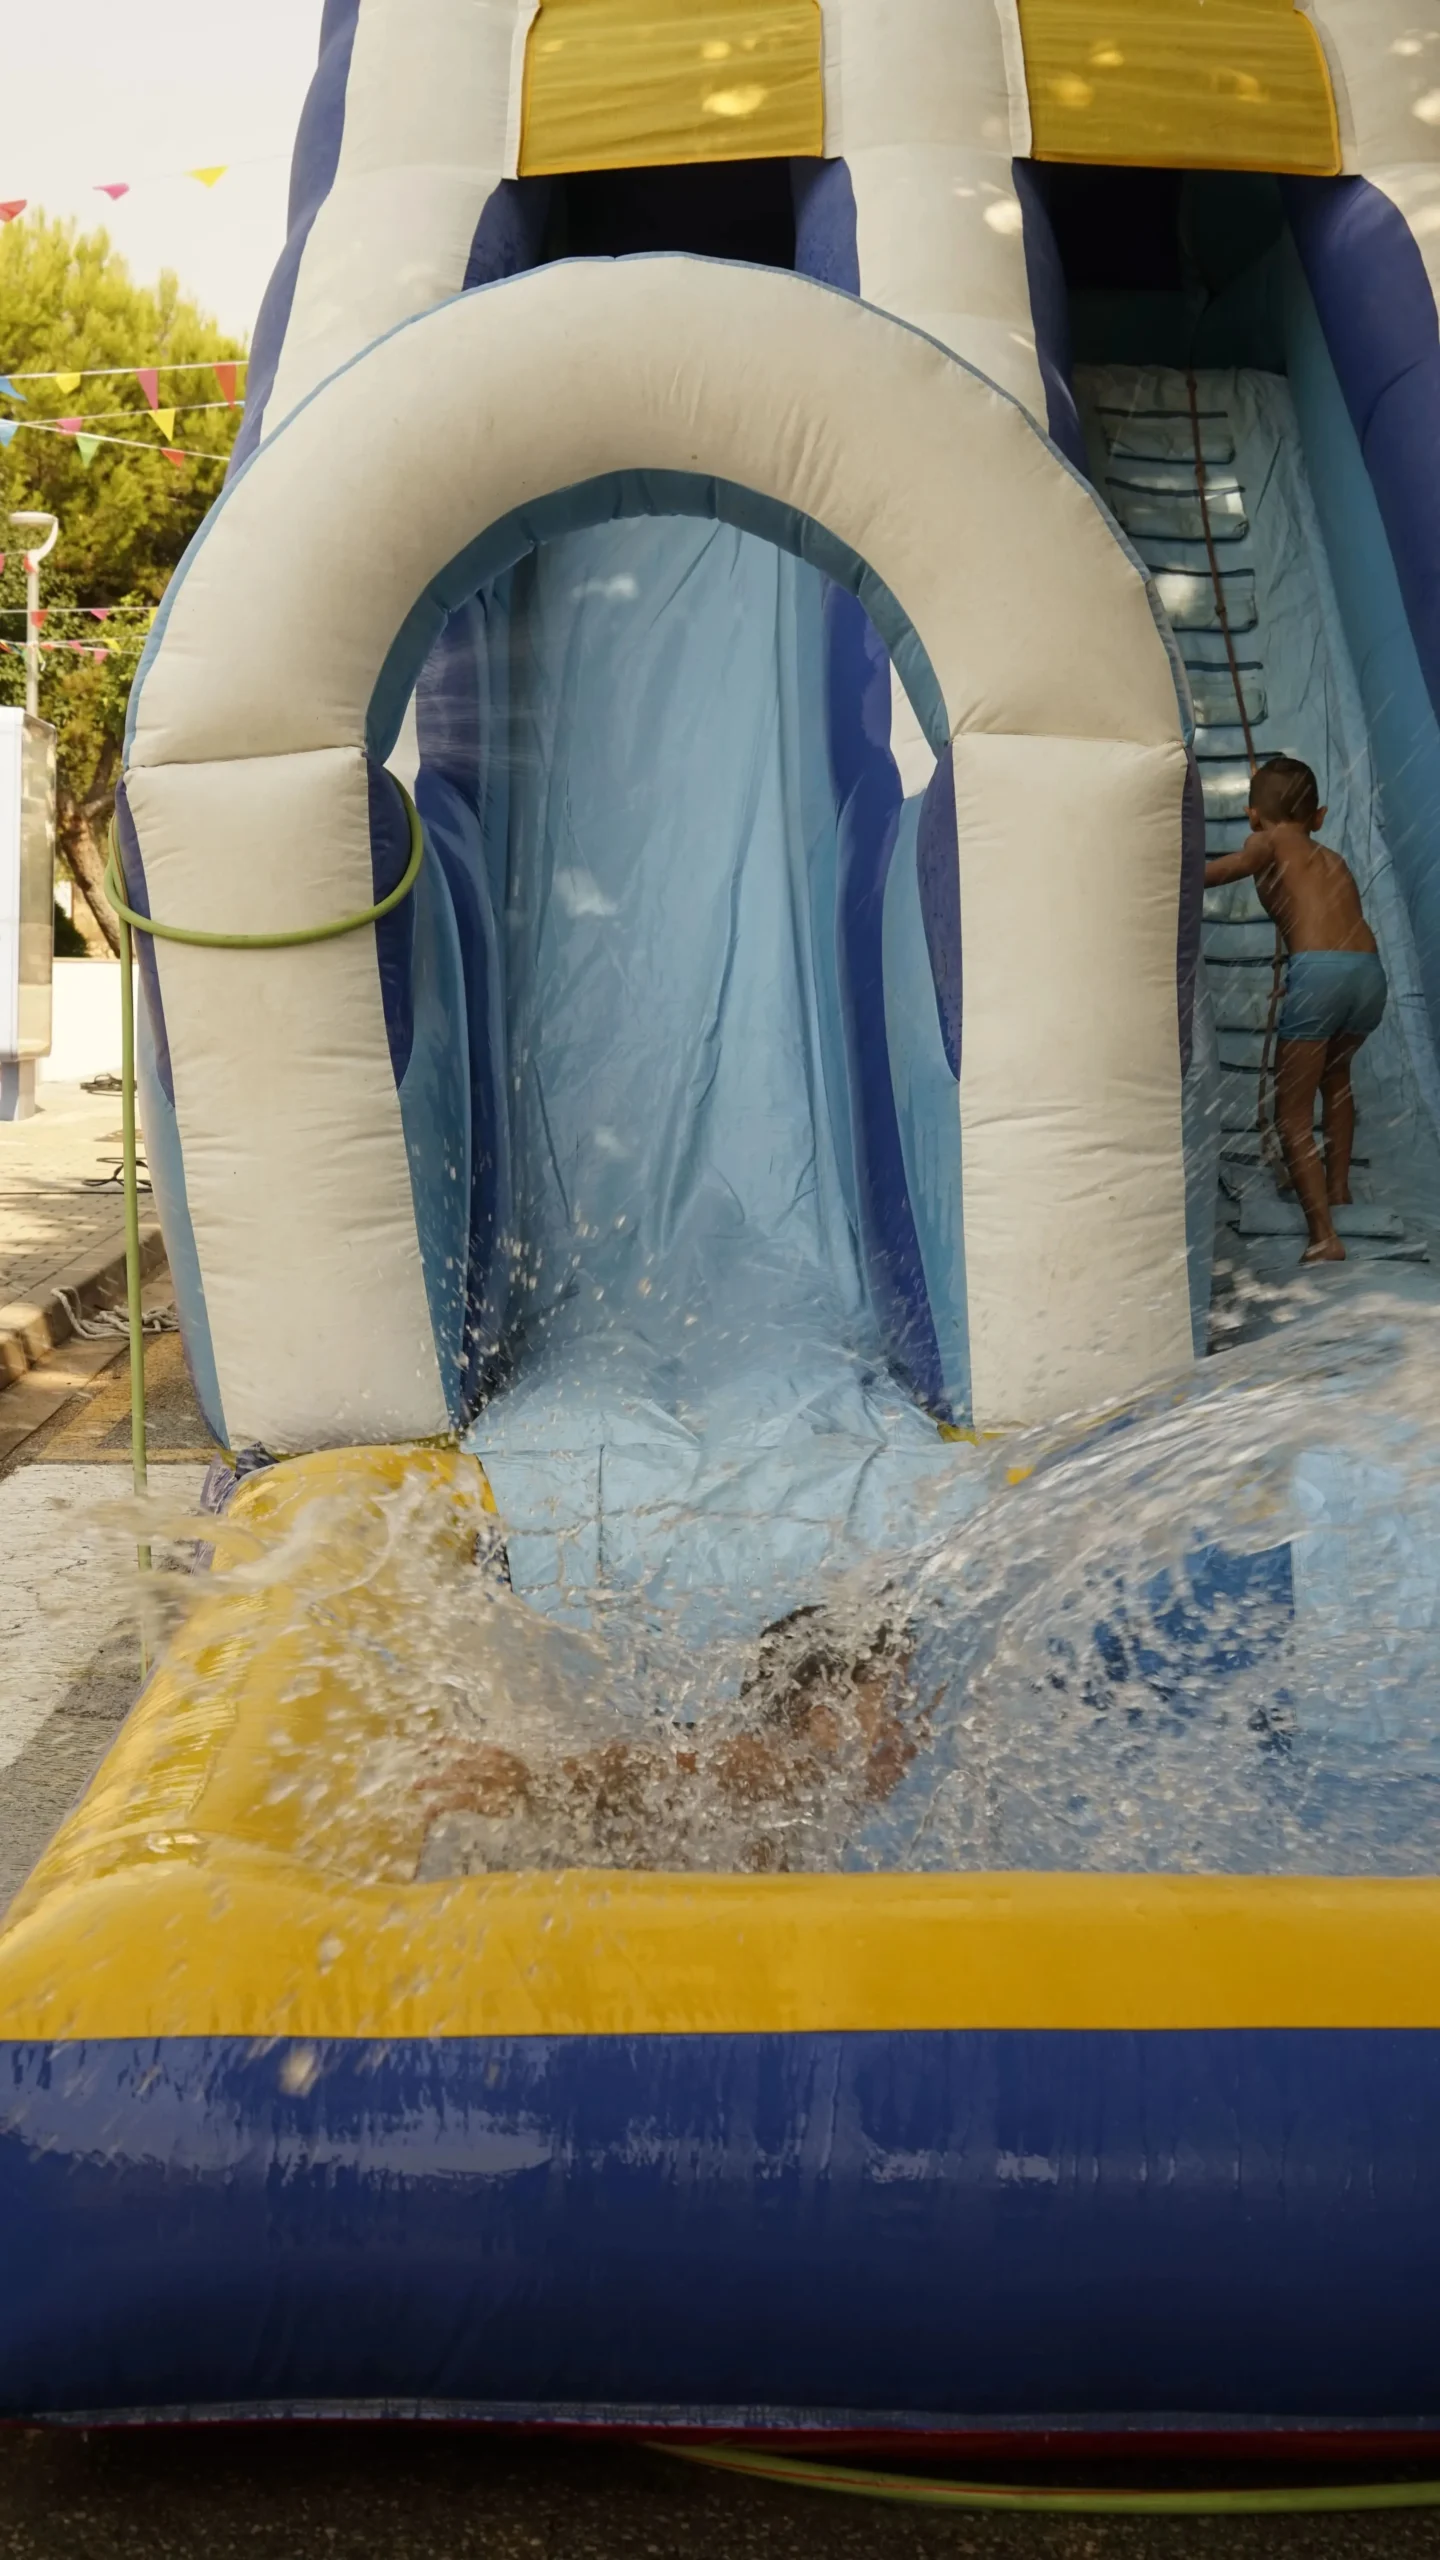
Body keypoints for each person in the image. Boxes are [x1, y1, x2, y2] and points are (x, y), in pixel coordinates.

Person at [1204, 754, 1387, 1264]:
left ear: (1252, 816)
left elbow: (1228, 871)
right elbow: (1334, 922)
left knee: (1292, 1115)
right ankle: (1339, 1190)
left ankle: (1324, 1236)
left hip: (1319, 975)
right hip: (1367, 974)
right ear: (1319, 817)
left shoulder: (1266, 841)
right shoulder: (1334, 859)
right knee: (1337, 1080)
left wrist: (1168, 875)